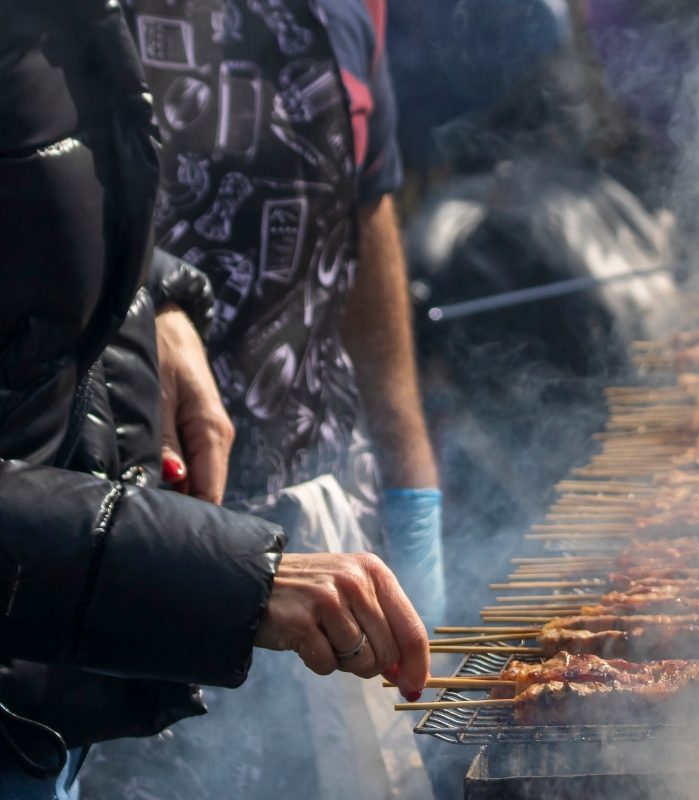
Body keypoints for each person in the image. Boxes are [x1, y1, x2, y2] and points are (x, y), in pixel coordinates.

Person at [0, 2, 429, 797]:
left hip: (204, 576)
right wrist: (227, 577)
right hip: (117, 599)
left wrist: (149, 298)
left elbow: (366, 208)